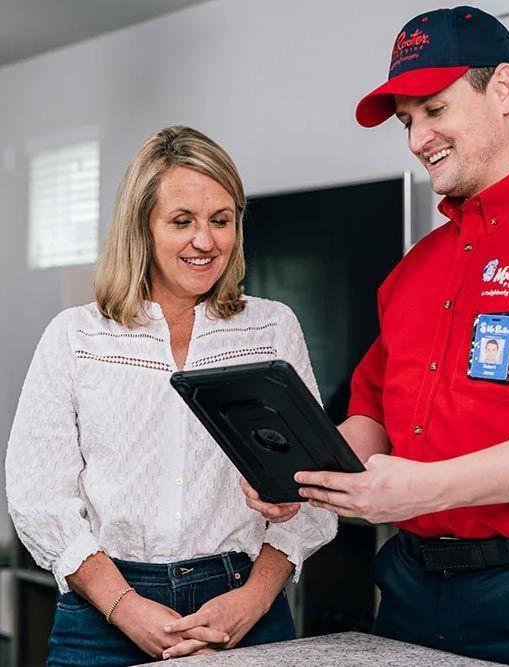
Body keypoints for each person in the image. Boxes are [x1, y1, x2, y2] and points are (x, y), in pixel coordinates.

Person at [243, 7, 509, 666]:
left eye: (434, 109)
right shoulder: (414, 270)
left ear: (502, 89)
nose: (417, 137)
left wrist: (427, 486)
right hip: (411, 586)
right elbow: (371, 419)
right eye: (407, 120)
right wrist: (295, 476)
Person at [6, 125, 336, 666]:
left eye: (221, 220)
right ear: (143, 228)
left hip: (243, 601)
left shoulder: (271, 329)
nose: (205, 241)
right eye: (182, 221)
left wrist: (252, 600)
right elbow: (38, 494)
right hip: (102, 612)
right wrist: (126, 607)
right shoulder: (77, 336)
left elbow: (312, 489)